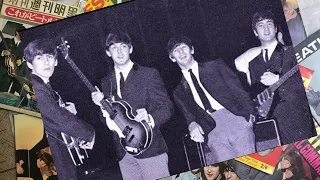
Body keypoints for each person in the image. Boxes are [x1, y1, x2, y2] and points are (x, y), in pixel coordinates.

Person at [91, 31, 173, 180]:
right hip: (123, 154)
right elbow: (109, 119)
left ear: (131, 49)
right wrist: (101, 106)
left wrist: (150, 117)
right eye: (114, 48)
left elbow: (166, 107)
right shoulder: (105, 82)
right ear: (108, 53)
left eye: (123, 46)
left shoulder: (148, 74)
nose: (120, 51)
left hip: (151, 149)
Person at [168, 35, 256, 164]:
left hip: (235, 118)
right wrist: (192, 125)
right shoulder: (178, 92)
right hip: (212, 130)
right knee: (230, 171)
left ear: (192, 50)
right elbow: (189, 116)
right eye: (176, 50)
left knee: (251, 166)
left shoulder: (215, 66)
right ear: (172, 58)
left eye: (184, 47)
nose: (181, 52)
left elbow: (238, 90)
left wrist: (250, 114)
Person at [24, 39, 96, 180]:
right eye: (39, 58)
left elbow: (52, 117)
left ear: (56, 62)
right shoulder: (37, 88)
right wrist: (88, 133)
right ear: (29, 64)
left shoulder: (45, 86)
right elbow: (57, 117)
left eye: (49, 57)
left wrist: (65, 110)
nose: (46, 62)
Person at [246, 10, 315, 145]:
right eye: (261, 25)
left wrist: (278, 79)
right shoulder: (253, 63)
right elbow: (257, 96)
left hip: (297, 116)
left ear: (276, 28)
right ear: (255, 32)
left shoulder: (293, 52)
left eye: (269, 24)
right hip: (273, 124)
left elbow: (310, 82)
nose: (266, 29)